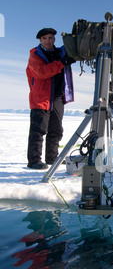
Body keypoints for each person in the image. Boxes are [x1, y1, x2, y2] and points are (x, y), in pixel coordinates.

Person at [26, 27, 75, 169]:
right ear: (40, 40)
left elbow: (73, 49)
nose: (48, 41)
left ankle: (52, 157)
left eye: (50, 38)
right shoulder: (35, 55)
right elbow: (41, 72)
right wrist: (61, 63)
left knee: (56, 129)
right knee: (38, 130)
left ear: (54, 39)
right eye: (44, 38)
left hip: (57, 97)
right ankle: (34, 160)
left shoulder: (60, 52)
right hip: (41, 98)